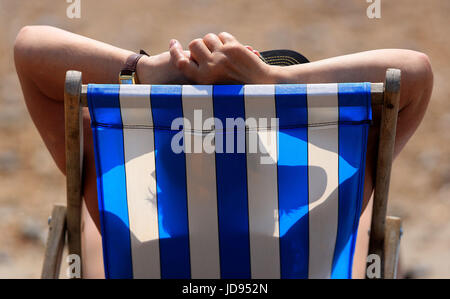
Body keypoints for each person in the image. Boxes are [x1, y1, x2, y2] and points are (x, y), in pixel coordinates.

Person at [14, 26, 433, 278]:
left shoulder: (135, 251)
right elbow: (413, 72)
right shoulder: (309, 244)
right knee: (364, 236)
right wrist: (276, 82)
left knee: (86, 227)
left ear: (160, 187)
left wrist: (144, 71)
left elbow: (30, 47)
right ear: (270, 184)